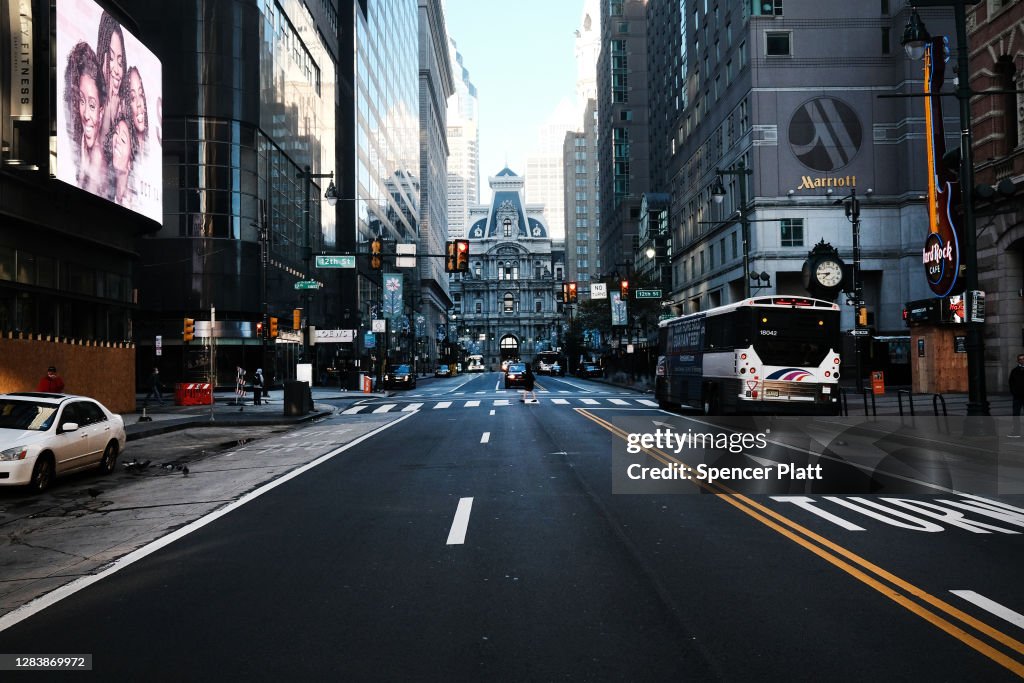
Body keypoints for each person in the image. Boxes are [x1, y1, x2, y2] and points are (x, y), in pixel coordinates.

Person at [64, 41, 106, 196]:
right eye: (82, 101)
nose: (86, 115)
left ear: (101, 111)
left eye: (93, 106)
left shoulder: (101, 161)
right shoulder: (81, 154)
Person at [96, 12, 126, 148]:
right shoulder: (92, 104)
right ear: (101, 58)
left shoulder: (125, 108)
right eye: (111, 59)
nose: (116, 70)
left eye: (120, 62)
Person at [104, 110, 137, 207]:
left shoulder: (133, 203)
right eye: (116, 132)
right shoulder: (107, 192)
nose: (117, 140)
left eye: (123, 140)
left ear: (130, 162)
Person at [1009, 354, 1024, 437]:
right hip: (1017, 397)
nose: (1022, 360)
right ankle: (1016, 432)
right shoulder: (1014, 371)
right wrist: (1013, 392)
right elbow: (1011, 382)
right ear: (1018, 361)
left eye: (1023, 359)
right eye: (1020, 359)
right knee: (1015, 415)